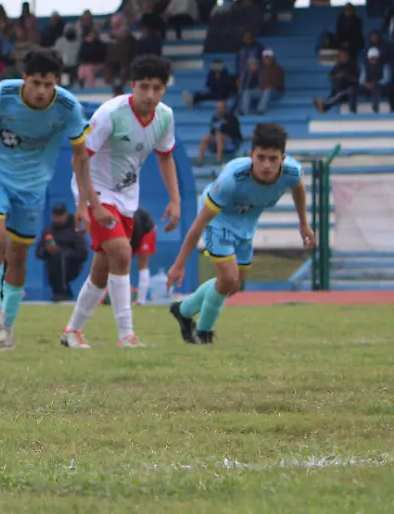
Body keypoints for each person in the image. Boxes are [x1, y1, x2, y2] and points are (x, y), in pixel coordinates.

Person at [0, 48, 96, 350]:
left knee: (19, 255)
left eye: (49, 84)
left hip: (32, 186)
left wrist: (83, 204)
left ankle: (7, 325)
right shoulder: (2, 94)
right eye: (36, 82)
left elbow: (81, 157)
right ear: (24, 78)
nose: (42, 91)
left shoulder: (67, 107)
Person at [61, 55, 182, 349]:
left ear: (165, 89)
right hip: (94, 189)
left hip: (126, 196)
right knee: (122, 252)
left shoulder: (165, 116)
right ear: (132, 85)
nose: (150, 95)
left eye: (157, 88)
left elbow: (165, 157)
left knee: (103, 268)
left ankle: (72, 331)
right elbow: (80, 159)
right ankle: (126, 335)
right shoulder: (111, 113)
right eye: (144, 87)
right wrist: (89, 205)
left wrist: (175, 199)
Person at [167, 123, 315, 344]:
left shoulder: (292, 172)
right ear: (251, 155)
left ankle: (183, 310)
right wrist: (179, 264)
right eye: (261, 157)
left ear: (283, 158)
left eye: (273, 159)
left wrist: (303, 224)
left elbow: (299, 188)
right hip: (218, 220)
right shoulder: (232, 179)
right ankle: (205, 333)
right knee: (227, 278)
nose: (266, 165)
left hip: (246, 223)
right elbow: (199, 224)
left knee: (233, 286)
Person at [36, 203, 88, 302]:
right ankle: (60, 292)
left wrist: (64, 252)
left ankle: (62, 292)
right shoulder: (48, 230)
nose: (58, 219)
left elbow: (83, 253)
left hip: (72, 265)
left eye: (61, 216)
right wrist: (47, 251)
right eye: (56, 216)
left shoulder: (74, 230)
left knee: (60, 256)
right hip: (53, 266)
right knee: (54, 258)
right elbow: (38, 253)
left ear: (66, 215)